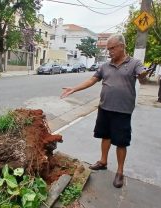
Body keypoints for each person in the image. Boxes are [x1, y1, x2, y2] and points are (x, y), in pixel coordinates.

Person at [60, 34, 147, 188]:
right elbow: (92, 80)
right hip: (105, 108)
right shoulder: (105, 66)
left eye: (112, 48)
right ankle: (103, 161)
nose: (110, 52)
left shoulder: (134, 63)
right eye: (108, 49)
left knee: (121, 142)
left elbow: (142, 77)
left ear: (122, 46)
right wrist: (74, 88)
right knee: (105, 136)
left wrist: (143, 75)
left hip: (122, 111)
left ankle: (120, 172)